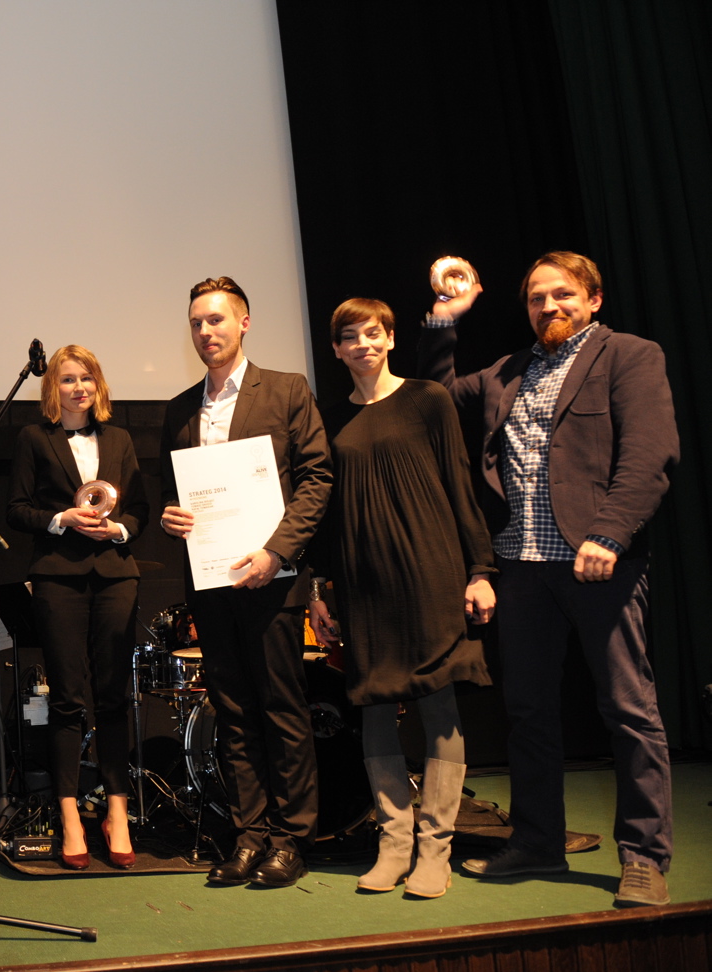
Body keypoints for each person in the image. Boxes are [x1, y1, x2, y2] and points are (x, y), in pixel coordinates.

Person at [417, 251, 678, 907]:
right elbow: (435, 402)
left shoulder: (628, 356)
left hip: (598, 563)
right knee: (528, 712)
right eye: (536, 298)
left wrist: (610, 532)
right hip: (521, 568)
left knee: (627, 711)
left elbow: (649, 454)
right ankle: (537, 840)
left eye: (562, 294)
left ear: (593, 299)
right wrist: (444, 320)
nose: (548, 306)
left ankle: (643, 856)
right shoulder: (508, 370)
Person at [306, 298, 496, 899]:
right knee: (373, 707)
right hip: (362, 584)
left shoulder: (427, 399)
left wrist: (480, 569)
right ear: (336, 350)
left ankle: (435, 851)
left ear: (390, 338)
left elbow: (461, 483)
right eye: (349, 336)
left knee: (438, 706)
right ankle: (393, 844)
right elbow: (323, 513)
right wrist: (318, 588)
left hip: (430, 571)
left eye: (373, 332)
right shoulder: (329, 419)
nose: (362, 344)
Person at [159, 276, 332, 889]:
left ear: (244, 322)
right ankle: (248, 837)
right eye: (196, 323)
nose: (205, 332)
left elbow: (317, 478)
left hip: (272, 579)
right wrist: (172, 517)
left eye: (216, 320)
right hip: (211, 583)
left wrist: (276, 551)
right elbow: (175, 495)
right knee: (232, 712)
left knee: (281, 710)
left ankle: (290, 840)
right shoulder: (180, 408)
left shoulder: (286, 390)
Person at [6, 345, 147, 870]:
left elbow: (140, 510)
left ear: (98, 385)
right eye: (67, 379)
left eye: (86, 378)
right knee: (66, 699)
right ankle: (69, 816)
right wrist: (61, 519)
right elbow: (16, 509)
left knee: (112, 697)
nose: (78, 387)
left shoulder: (121, 439)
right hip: (57, 577)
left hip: (116, 575)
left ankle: (117, 812)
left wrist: (119, 529)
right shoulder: (32, 438)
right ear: (52, 388)